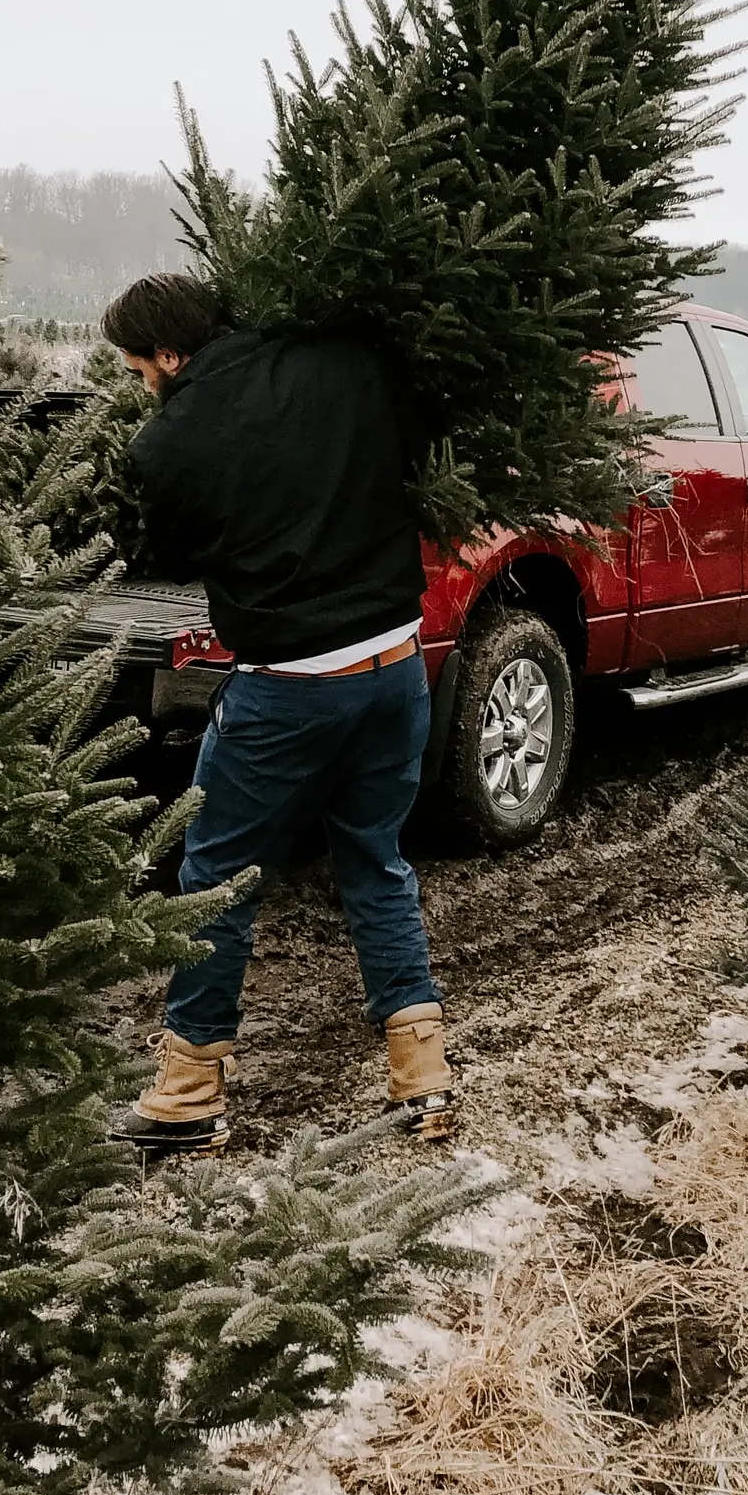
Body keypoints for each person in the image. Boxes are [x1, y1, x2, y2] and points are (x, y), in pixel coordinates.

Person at [98, 272, 454, 1155]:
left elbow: (174, 553)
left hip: (288, 685)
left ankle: (188, 1094)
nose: (145, 384)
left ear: (169, 354)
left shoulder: (169, 444)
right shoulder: (348, 361)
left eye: (142, 367)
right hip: (397, 665)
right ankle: (425, 1078)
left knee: (217, 875)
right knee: (375, 857)